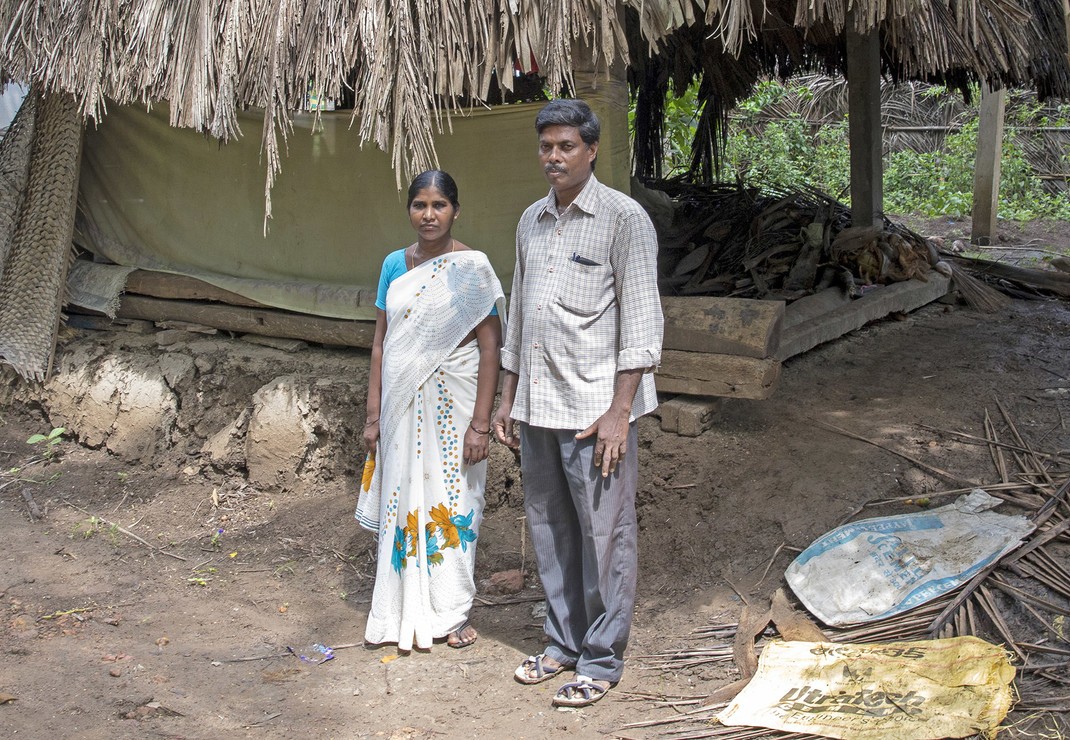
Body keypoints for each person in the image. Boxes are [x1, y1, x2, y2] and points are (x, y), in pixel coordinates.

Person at [492, 99, 663, 707]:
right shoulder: (530, 221)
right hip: (538, 407)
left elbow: (642, 325)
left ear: (591, 150)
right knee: (548, 527)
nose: (554, 158)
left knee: (604, 535)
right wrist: (507, 397)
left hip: (595, 413)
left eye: (566, 147)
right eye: (546, 147)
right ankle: (562, 642)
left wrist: (620, 412)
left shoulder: (624, 219)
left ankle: (600, 657)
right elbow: (517, 317)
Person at [356, 170, 505, 651]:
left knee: (458, 502)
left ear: (455, 211)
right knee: (403, 503)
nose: (429, 214)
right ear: (409, 210)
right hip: (401, 406)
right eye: (420, 205)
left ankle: (452, 610)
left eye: (439, 205)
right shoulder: (394, 267)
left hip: (457, 407)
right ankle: (401, 608)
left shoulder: (473, 268)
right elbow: (381, 344)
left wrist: (481, 424)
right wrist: (374, 414)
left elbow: (490, 348)